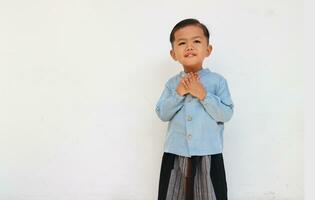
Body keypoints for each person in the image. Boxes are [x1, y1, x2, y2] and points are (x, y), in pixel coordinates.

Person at [155, 18, 234, 200]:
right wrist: (179, 93)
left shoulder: (217, 82)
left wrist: (203, 95)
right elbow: (162, 113)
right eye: (182, 43)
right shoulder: (172, 84)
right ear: (173, 53)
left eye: (196, 41)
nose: (189, 47)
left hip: (208, 153)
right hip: (176, 153)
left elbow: (226, 113)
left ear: (208, 50)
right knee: (173, 194)